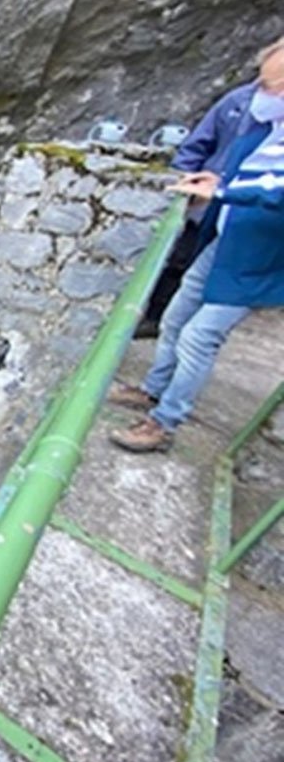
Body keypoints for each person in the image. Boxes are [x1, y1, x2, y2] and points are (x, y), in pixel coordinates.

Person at [109, 36, 284, 452]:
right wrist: (212, 182)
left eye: (274, 87)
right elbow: (231, 166)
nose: (262, 94)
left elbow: (275, 190)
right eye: (264, 83)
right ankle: (153, 389)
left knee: (199, 337)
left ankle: (163, 424)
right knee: (174, 319)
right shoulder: (264, 125)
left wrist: (222, 193)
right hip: (226, 241)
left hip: (259, 261)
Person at [135, 74, 260, 337]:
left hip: (243, 214)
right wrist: (181, 180)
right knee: (174, 258)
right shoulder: (239, 101)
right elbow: (199, 143)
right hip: (202, 203)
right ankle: (150, 317)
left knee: (197, 272)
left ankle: (167, 321)